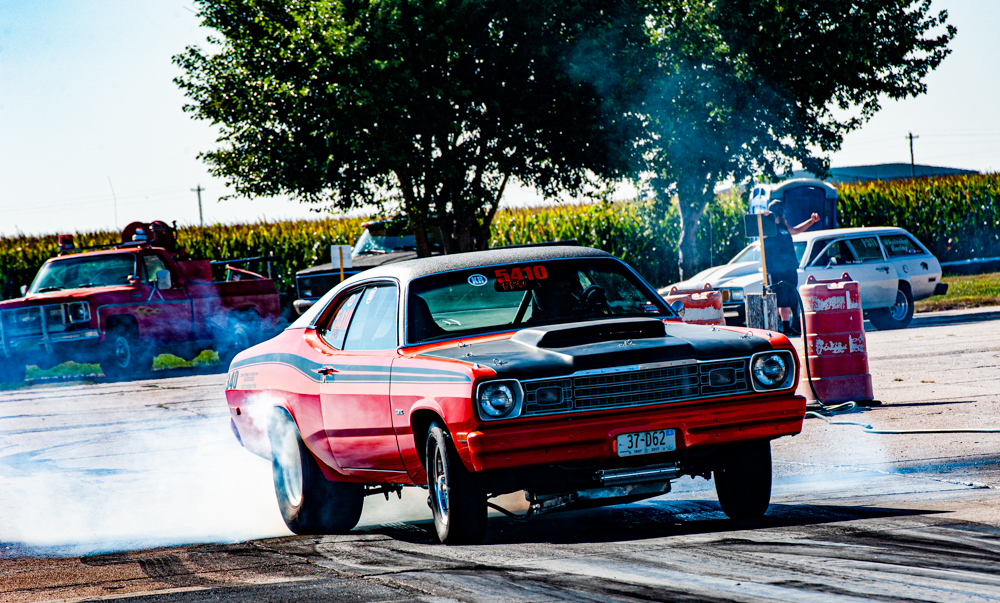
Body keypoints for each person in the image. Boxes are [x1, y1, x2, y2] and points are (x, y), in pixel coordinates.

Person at [761, 200, 819, 335]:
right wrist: (765, 217)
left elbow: (797, 230)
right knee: (776, 298)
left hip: (789, 268)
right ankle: (775, 327)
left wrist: (811, 221)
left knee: (787, 299)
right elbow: (760, 232)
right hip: (775, 270)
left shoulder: (784, 227)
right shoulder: (768, 228)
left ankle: (787, 327)